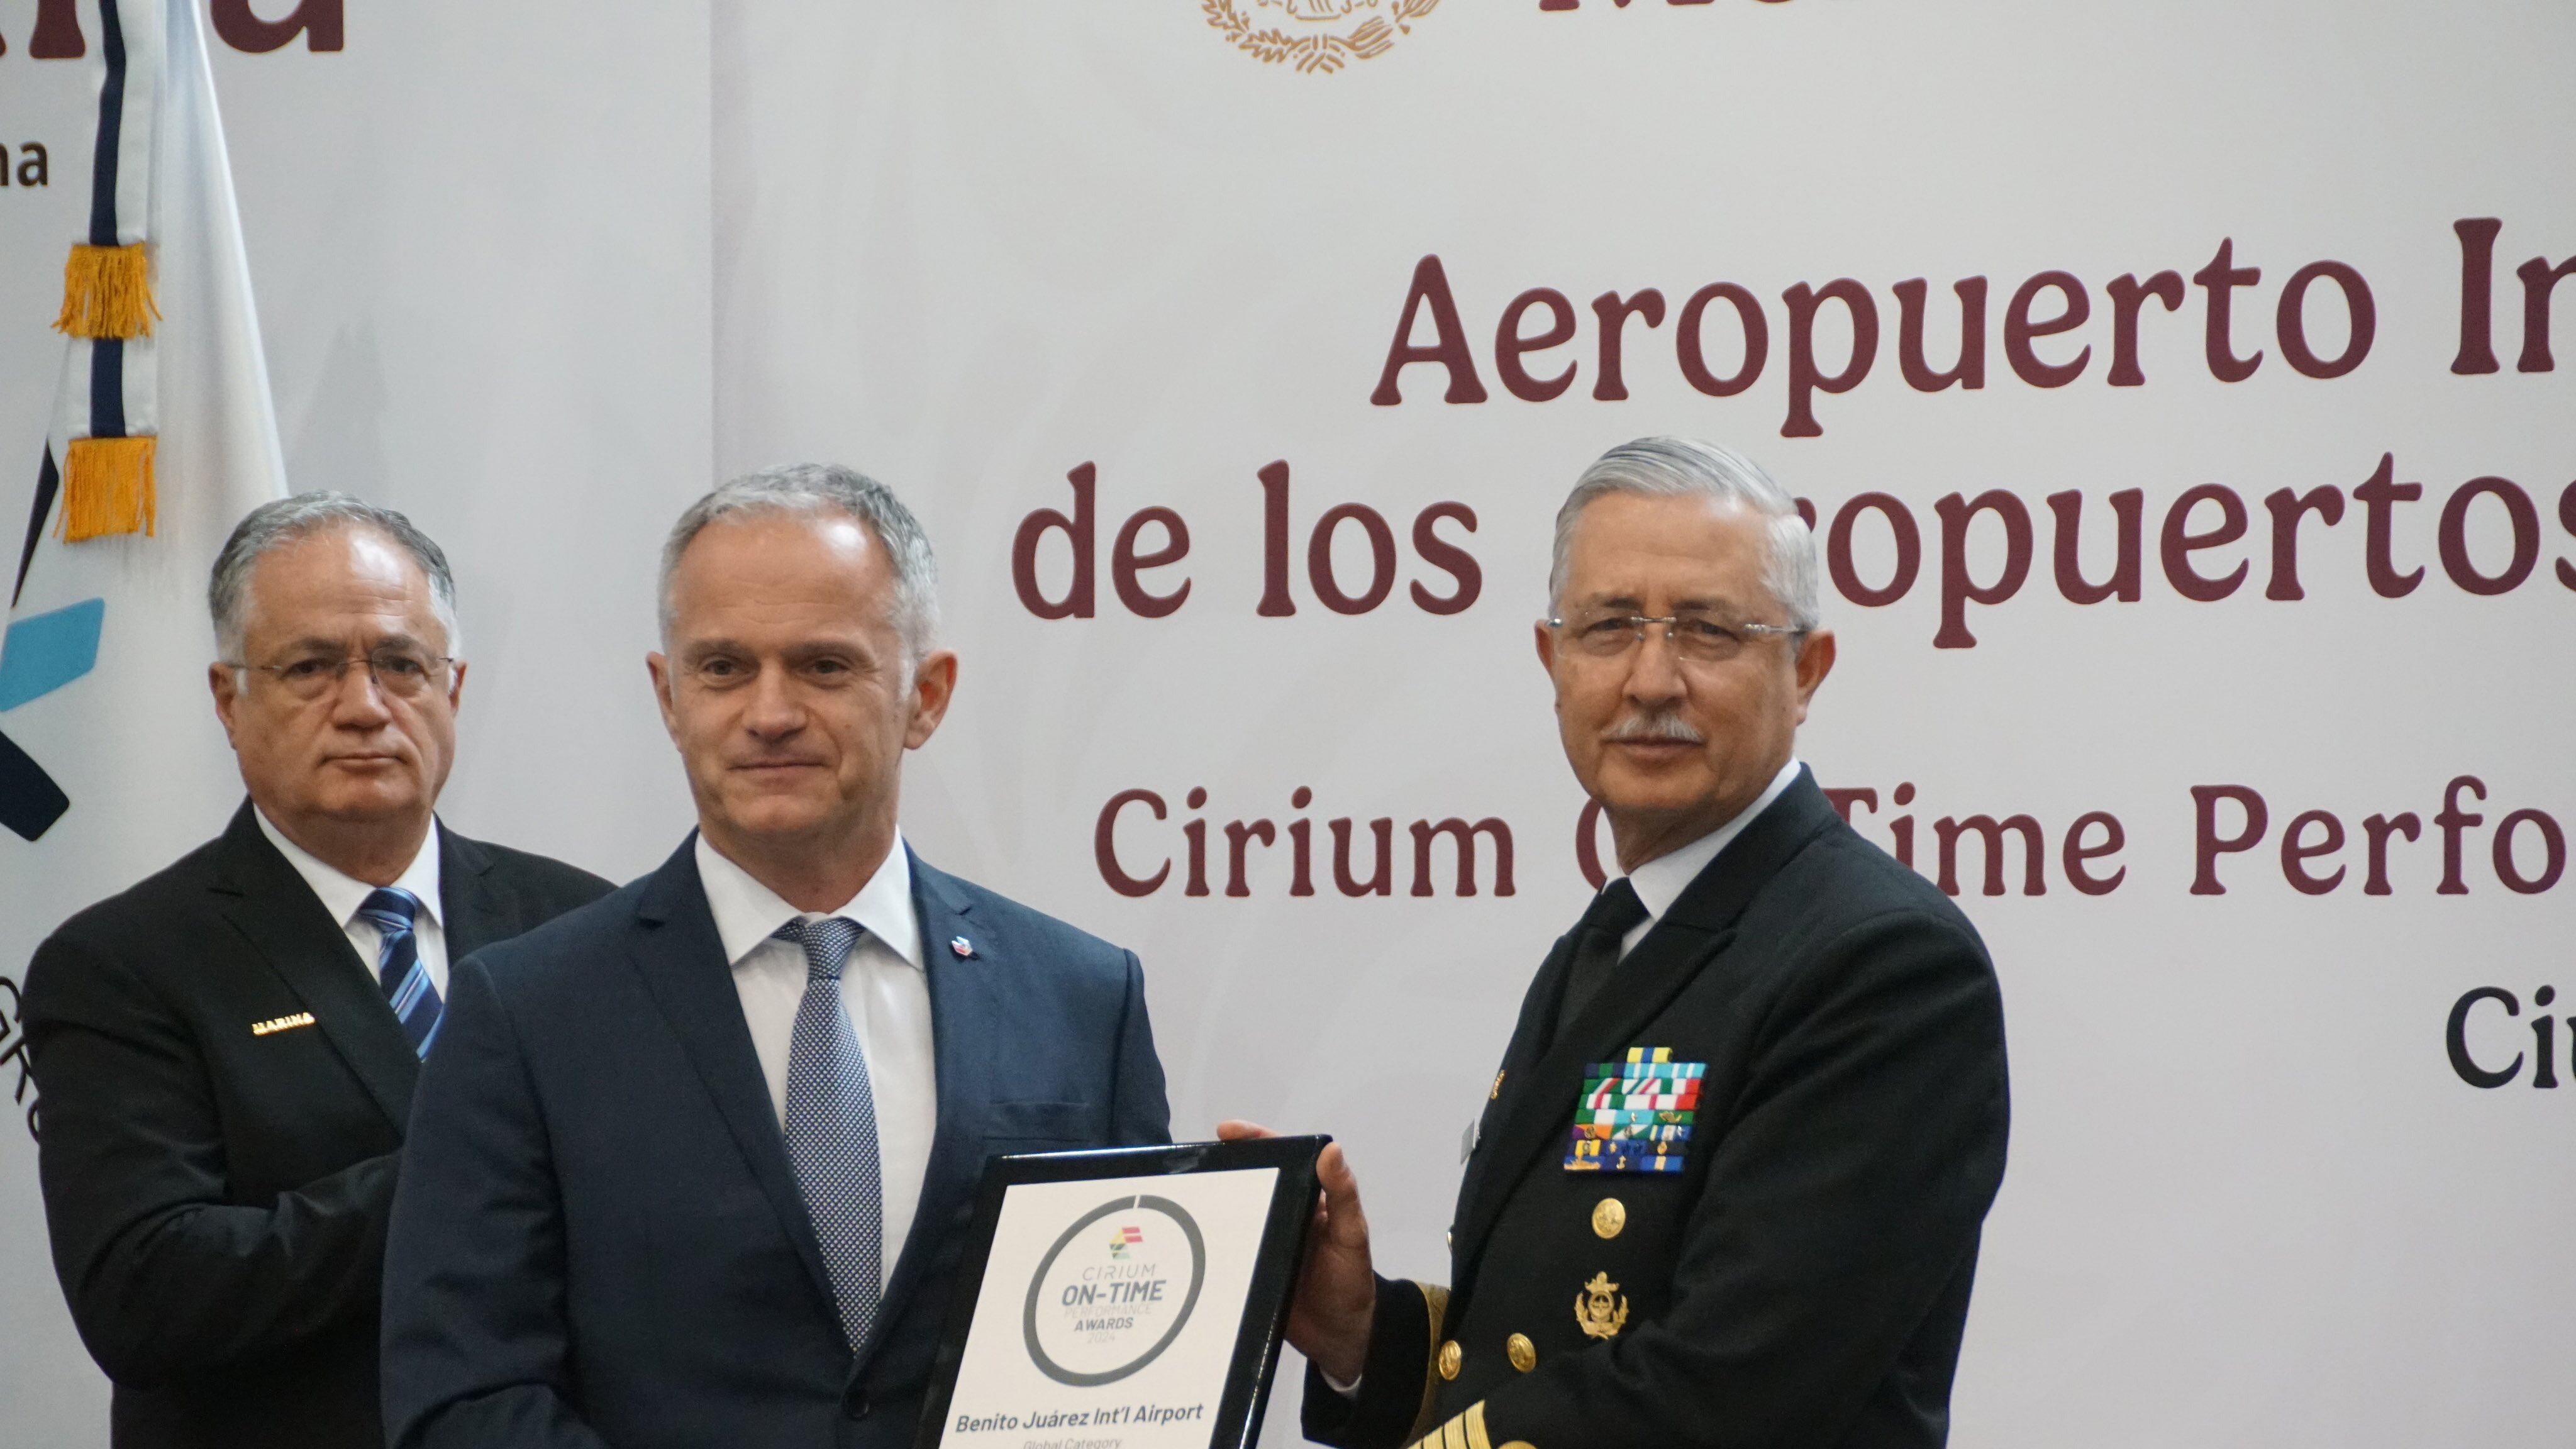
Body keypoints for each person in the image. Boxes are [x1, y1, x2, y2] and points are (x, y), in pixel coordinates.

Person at [1224, 437, 2010, 1449]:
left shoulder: (1883, 967)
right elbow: (1539, 1341)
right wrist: (1360, 1333)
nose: (1651, 679)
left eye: (1707, 631)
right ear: (1553, 663)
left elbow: (1725, 1394)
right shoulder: (1615, 938)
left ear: (1806, 670)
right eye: (1608, 627)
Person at [380, 464, 1172, 1448]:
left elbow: (1137, 1376)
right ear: (669, 698)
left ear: (926, 696)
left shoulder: (1083, 1001)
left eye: (824, 667)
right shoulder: (526, 1013)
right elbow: (462, 1397)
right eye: (722, 669)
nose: (769, 713)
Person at [23, 494, 615, 1449]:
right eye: (311, 667)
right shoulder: (123, 964)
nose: (365, 705)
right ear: (228, 699)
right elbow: (146, 1293)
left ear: (452, 689)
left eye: (400, 664)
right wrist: (477, 1167)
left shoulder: (585, 924)